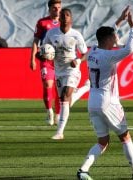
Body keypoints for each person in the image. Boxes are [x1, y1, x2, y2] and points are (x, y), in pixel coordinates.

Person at [77, 6, 133, 180]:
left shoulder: (94, 50)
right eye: (115, 36)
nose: (117, 38)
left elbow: (107, 34)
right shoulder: (107, 56)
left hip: (92, 102)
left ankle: (83, 170)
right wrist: (132, 26)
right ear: (109, 39)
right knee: (125, 136)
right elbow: (130, 49)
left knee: (102, 142)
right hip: (108, 101)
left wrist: (119, 20)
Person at [42, 8, 88, 140]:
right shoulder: (51, 33)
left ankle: (60, 132)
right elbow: (44, 49)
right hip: (59, 71)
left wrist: (78, 60)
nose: (65, 17)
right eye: (63, 15)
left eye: (67, 15)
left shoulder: (76, 35)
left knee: (64, 98)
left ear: (71, 19)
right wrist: (44, 55)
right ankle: (85, 88)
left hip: (72, 70)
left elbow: (85, 52)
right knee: (66, 101)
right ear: (59, 19)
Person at [30, 0, 61, 126]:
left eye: (59, 7)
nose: (57, 10)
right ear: (49, 9)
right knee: (48, 84)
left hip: (60, 60)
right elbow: (35, 42)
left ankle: (59, 115)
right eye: (54, 8)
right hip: (46, 59)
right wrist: (32, 59)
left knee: (59, 89)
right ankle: (49, 112)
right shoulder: (42, 22)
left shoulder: (64, 23)